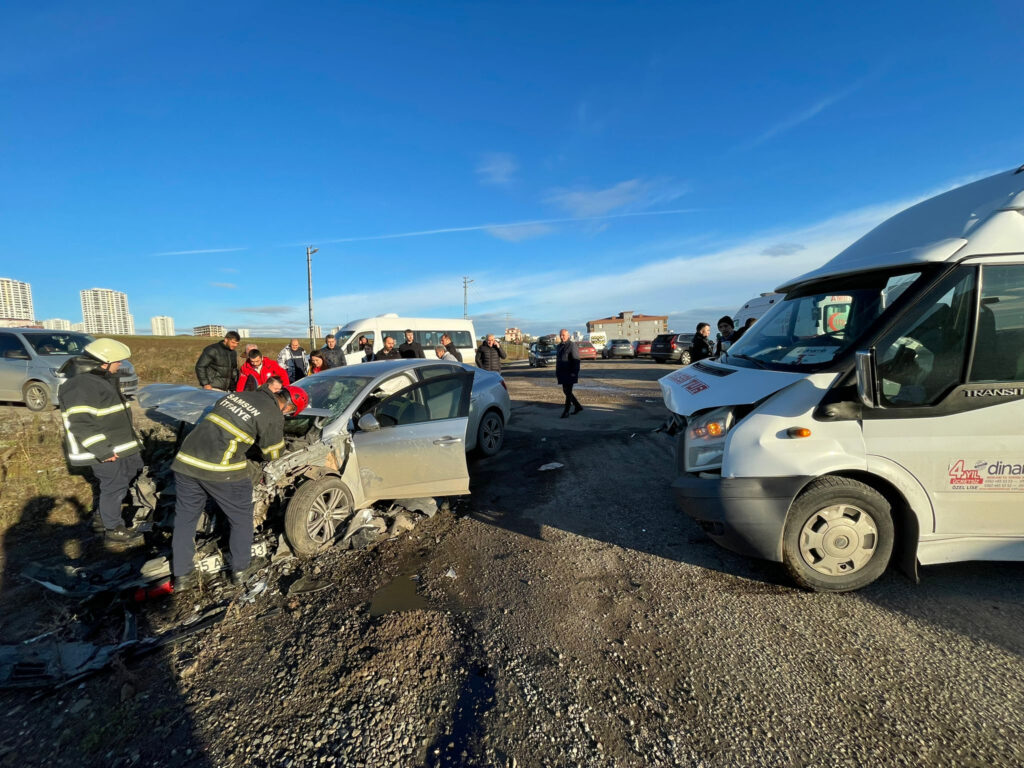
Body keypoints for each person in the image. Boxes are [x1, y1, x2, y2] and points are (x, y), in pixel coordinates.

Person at [171, 385, 308, 589]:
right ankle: (241, 570)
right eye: (290, 413)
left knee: (185, 519)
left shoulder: (239, 395)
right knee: (241, 517)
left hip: (186, 461)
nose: (287, 415)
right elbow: (273, 454)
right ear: (289, 407)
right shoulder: (272, 414)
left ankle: (182, 577)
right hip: (220, 469)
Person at [58, 338, 144, 543]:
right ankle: (113, 529)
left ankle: (101, 518)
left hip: (118, 444)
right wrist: (102, 450)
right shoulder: (81, 385)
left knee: (126, 476)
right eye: (118, 361)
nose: (120, 365)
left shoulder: (101, 379)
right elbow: (80, 423)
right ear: (103, 361)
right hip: (103, 449)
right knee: (113, 487)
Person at [555, 329, 583, 418]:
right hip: (562, 373)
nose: (562, 337)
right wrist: (557, 372)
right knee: (566, 391)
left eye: (563, 335)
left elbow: (576, 360)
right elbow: (558, 360)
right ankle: (578, 406)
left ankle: (566, 411)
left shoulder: (572, 345)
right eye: (561, 335)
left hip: (570, 373)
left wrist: (574, 372)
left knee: (568, 391)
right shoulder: (559, 346)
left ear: (568, 335)